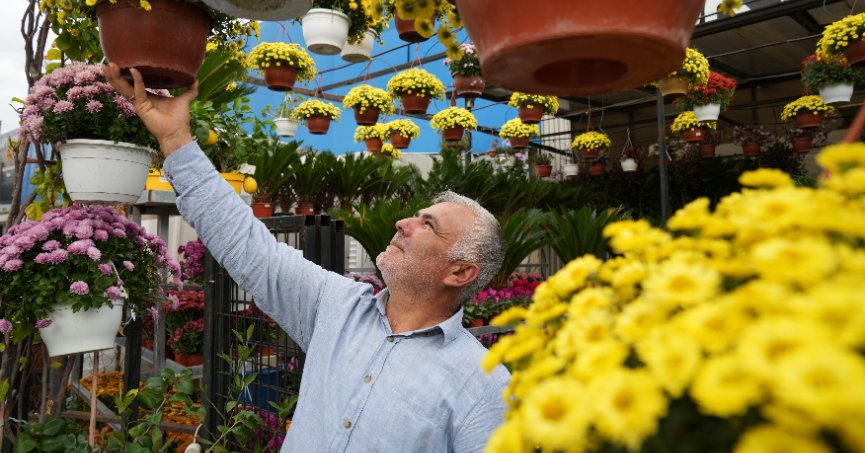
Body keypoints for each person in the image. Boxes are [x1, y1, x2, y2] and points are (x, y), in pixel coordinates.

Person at [104, 64, 511, 452]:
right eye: (416, 216)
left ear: (460, 271)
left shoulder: (483, 386)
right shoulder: (335, 306)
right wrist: (176, 139)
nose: (404, 223)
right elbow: (247, 244)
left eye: (429, 225)